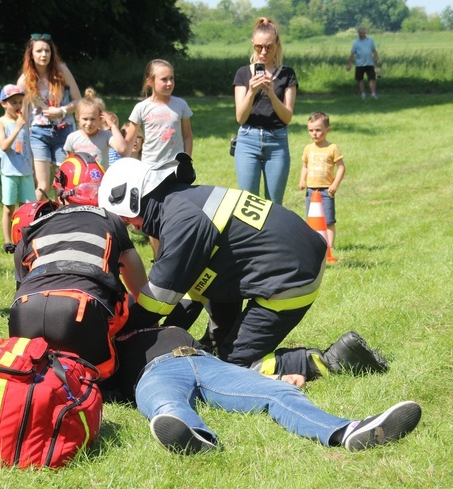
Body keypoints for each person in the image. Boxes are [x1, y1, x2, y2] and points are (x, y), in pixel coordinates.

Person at [98, 156, 335, 376]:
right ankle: (219, 346)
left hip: (291, 277)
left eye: (125, 218)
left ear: (133, 199)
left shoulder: (182, 221)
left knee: (233, 366)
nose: (129, 224)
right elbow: (192, 290)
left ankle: (331, 360)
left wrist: (117, 333)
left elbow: (157, 301)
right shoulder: (181, 201)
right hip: (289, 258)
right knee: (214, 349)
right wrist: (165, 330)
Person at [111, 326, 422, 455]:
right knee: (166, 405)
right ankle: (196, 438)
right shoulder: (107, 349)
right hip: (153, 374)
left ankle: (349, 430)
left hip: (205, 362)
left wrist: (275, 379)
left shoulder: (169, 325)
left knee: (276, 395)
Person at [9, 153, 147, 379]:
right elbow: (140, 288)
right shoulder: (111, 220)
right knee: (96, 375)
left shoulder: (33, 227)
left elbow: (21, 285)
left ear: (60, 190)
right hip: (81, 311)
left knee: (35, 376)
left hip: (24, 311)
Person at [233, 17, 297, 205]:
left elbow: (287, 117)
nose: (263, 52)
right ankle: (250, 236)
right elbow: (240, 117)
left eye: (268, 47)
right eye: (258, 47)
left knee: (274, 204)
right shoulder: (243, 73)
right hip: (247, 140)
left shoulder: (287, 74)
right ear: (253, 44)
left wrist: (271, 94)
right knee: (248, 203)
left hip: (276, 142)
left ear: (277, 45)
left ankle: (273, 235)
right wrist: (252, 92)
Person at [17, 34, 81, 201]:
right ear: (31, 54)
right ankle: (33, 223)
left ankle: (63, 223)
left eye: (47, 51)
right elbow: (21, 116)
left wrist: (61, 111)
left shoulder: (62, 71)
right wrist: (22, 144)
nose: (43, 55)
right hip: (38, 134)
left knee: (63, 185)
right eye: (39, 51)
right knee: (42, 186)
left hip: (63, 132)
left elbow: (78, 101)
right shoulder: (24, 80)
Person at [125, 59, 192, 166]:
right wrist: (124, 165)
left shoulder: (181, 105)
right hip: (149, 167)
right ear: (150, 81)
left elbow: (187, 136)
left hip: (175, 166)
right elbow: (129, 141)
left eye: (171, 78)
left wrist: (186, 161)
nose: (169, 83)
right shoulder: (141, 108)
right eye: (164, 79)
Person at [0, 84, 36, 254]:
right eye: (13, 103)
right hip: (10, 172)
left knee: (27, 208)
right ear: (4, 104)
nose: (18, 106)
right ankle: (7, 240)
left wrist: (33, 169)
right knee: (9, 207)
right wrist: (17, 127)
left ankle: (26, 238)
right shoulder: (1, 122)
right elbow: (4, 146)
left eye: (20, 102)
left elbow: (28, 148)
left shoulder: (23, 122)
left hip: (25, 172)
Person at [298, 112, 345, 251]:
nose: (314, 134)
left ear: (327, 130)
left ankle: (329, 247)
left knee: (329, 220)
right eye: (311, 130)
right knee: (312, 220)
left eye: (318, 130)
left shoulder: (332, 148)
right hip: (311, 191)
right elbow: (305, 166)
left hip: (326, 190)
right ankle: (314, 247)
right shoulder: (308, 148)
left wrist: (335, 184)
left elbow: (341, 167)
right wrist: (302, 179)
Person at [63, 88, 127, 169]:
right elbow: (69, 163)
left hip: (101, 180)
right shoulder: (72, 138)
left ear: (100, 118)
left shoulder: (106, 136)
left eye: (93, 119)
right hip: (80, 180)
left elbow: (122, 149)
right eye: (85, 119)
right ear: (78, 117)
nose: (89, 123)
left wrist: (112, 125)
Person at [345, 27, 381, 99]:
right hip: (359, 64)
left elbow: (374, 51)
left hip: (369, 63)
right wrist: (349, 64)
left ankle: (373, 94)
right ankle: (363, 94)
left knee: (372, 79)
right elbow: (352, 54)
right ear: (358, 33)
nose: (361, 34)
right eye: (359, 33)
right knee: (360, 80)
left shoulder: (370, 40)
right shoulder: (355, 42)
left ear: (365, 33)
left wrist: (377, 60)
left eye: (362, 33)